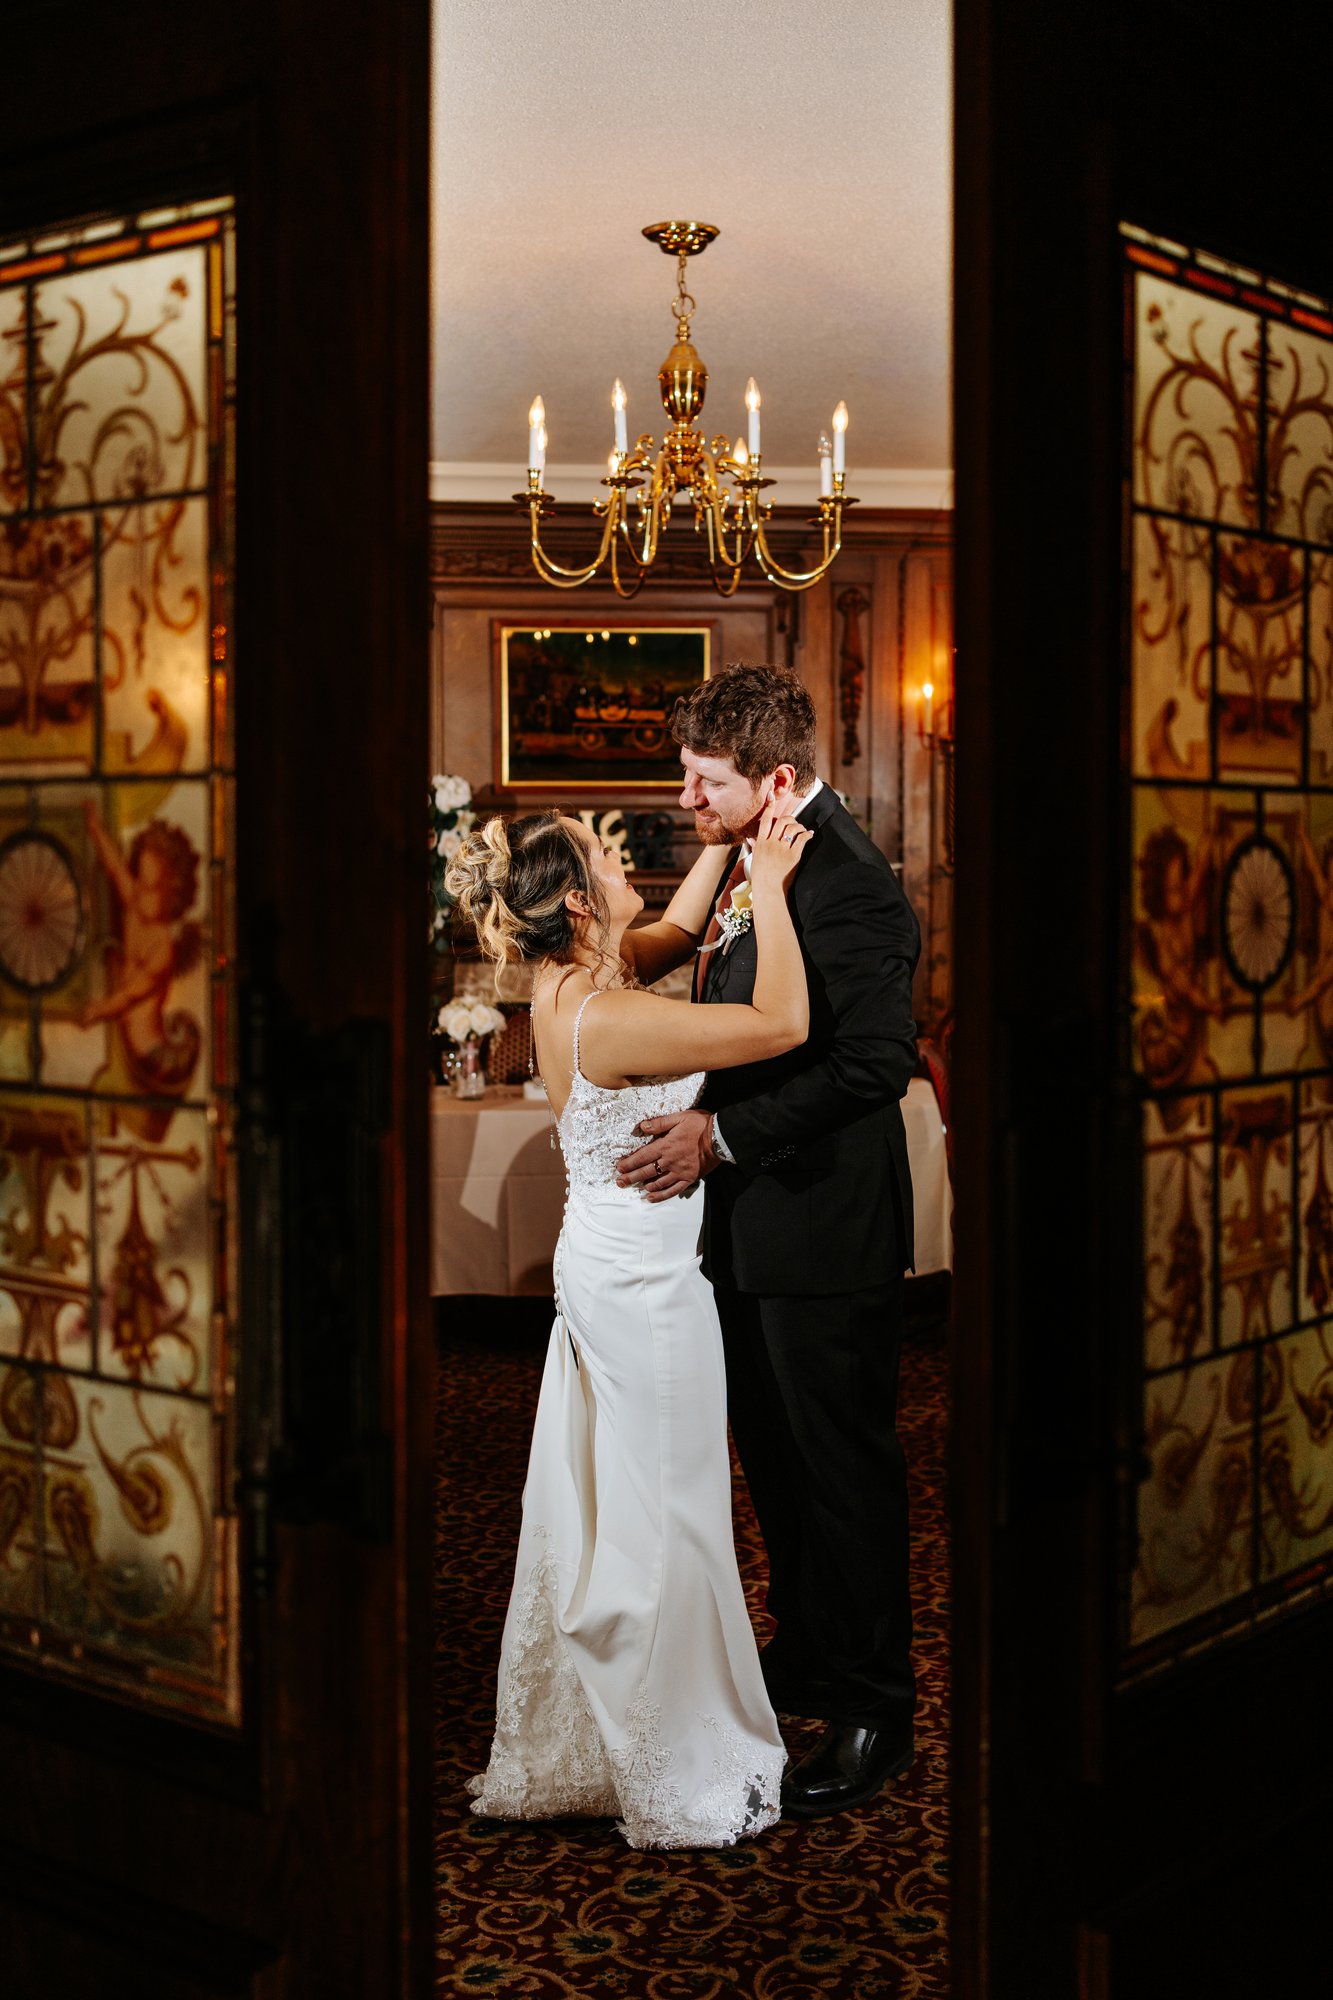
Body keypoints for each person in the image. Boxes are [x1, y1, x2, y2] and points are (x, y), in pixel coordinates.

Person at [445, 794, 813, 1849]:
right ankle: (669, 1750)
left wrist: (718, 850)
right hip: (645, 1290)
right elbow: (780, 1023)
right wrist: (774, 890)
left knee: (618, 1494)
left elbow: (678, 930)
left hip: (605, 1261)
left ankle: (616, 1728)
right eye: (608, 866)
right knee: (673, 1508)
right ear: (574, 899)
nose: (627, 868)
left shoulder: (564, 981)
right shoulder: (612, 1017)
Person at [615, 664, 922, 1817]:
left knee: (845, 1470)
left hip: (825, 1228)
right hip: (751, 1231)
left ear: (775, 779)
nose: (686, 797)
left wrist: (721, 1135)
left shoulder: (851, 885)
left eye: (706, 781)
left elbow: (869, 1065)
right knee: (778, 1459)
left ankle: (875, 1707)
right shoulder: (759, 856)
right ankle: (811, 1649)